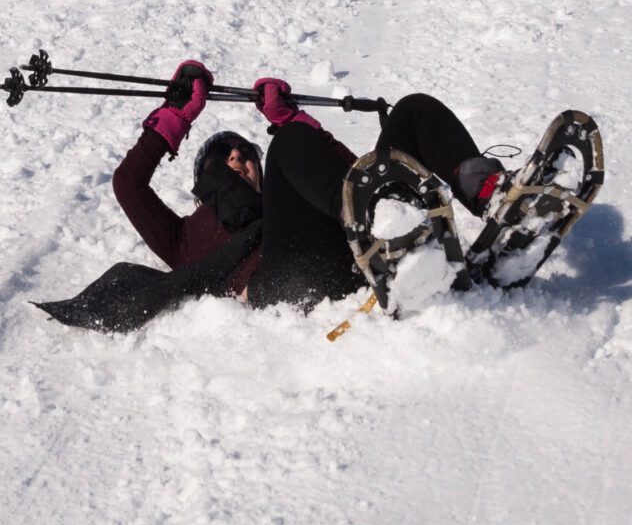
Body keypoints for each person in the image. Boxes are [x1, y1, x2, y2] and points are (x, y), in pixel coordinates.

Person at [36, 60, 508, 331]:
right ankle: (387, 231)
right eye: (228, 156)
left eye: (247, 153)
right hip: (283, 284)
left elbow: (352, 176)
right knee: (293, 146)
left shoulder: (292, 190)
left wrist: (291, 120)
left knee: (413, 112)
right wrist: (176, 116)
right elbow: (129, 185)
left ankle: (496, 200)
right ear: (206, 177)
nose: (242, 158)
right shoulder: (183, 236)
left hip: (344, 245)